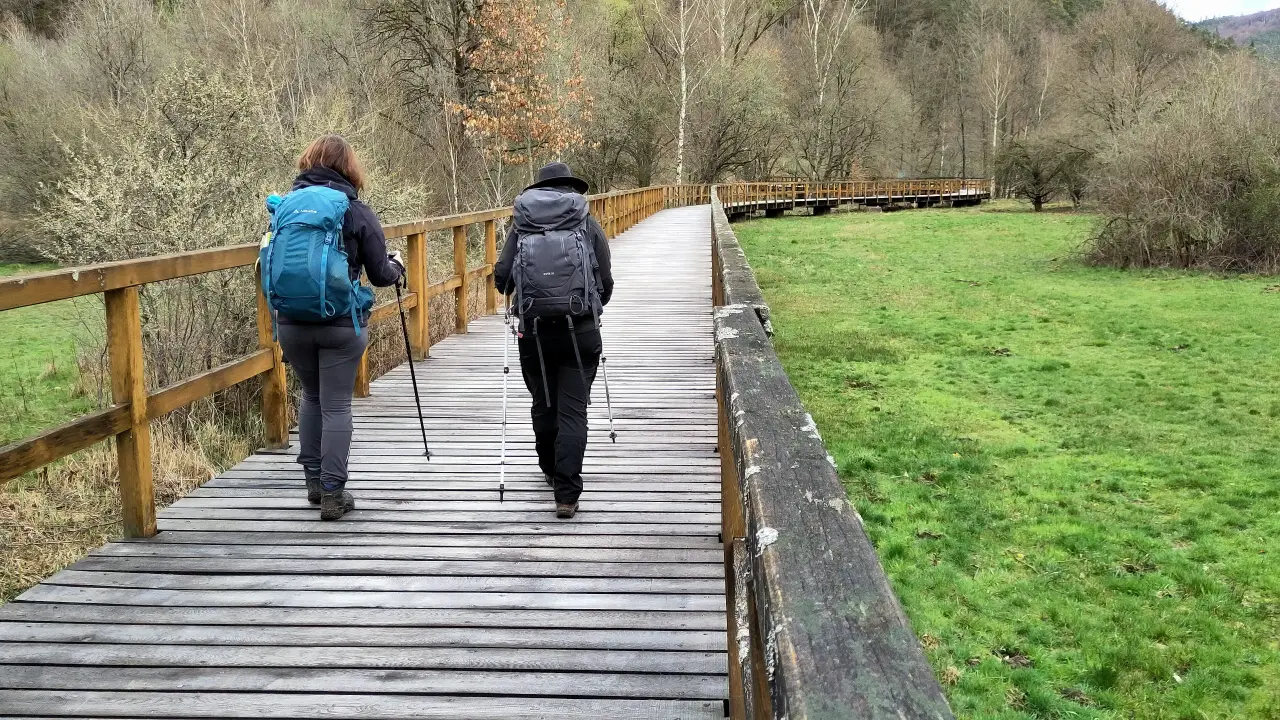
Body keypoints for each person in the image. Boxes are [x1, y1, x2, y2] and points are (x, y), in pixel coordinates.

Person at [269, 135, 405, 521]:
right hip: (341, 324)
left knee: (311, 396)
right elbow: (380, 275)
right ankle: (333, 493)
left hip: (292, 322)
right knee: (336, 405)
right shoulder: (355, 211)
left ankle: (313, 483)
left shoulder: (284, 208)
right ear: (349, 168)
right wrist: (397, 267)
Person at [495, 162, 613, 519]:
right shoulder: (585, 221)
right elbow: (605, 277)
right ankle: (566, 495)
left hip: (533, 329)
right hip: (580, 328)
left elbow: (502, 278)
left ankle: (549, 467)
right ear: (571, 189)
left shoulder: (523, 223)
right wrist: (594, 305)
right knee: (574, 409)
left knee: (544, 400)